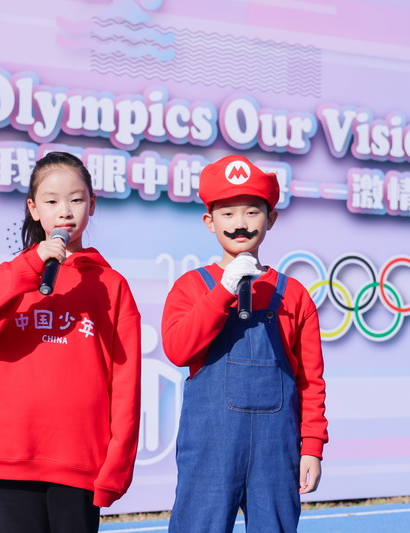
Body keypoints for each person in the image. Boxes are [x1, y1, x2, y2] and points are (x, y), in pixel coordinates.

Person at [0, 151, 142, 533]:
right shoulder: (13, 277)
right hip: (14, 455)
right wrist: (30, 265)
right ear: (33, 209)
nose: (65, 211)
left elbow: (126, 383)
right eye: (52, 201)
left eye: (76, 199)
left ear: (92, 204)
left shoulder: (111, 285)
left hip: (79, 459)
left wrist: (117, 464)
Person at [161, 155, 328, 532]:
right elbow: (178, 350)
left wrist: (312, 446)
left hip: (277, 449)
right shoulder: (192, 287)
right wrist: (223, 291)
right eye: (227, 213)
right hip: (210, 447)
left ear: (271, 218)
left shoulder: (293, 294)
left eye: (252, 212)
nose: (240, 223)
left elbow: (311, 381)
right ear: (209, 221)